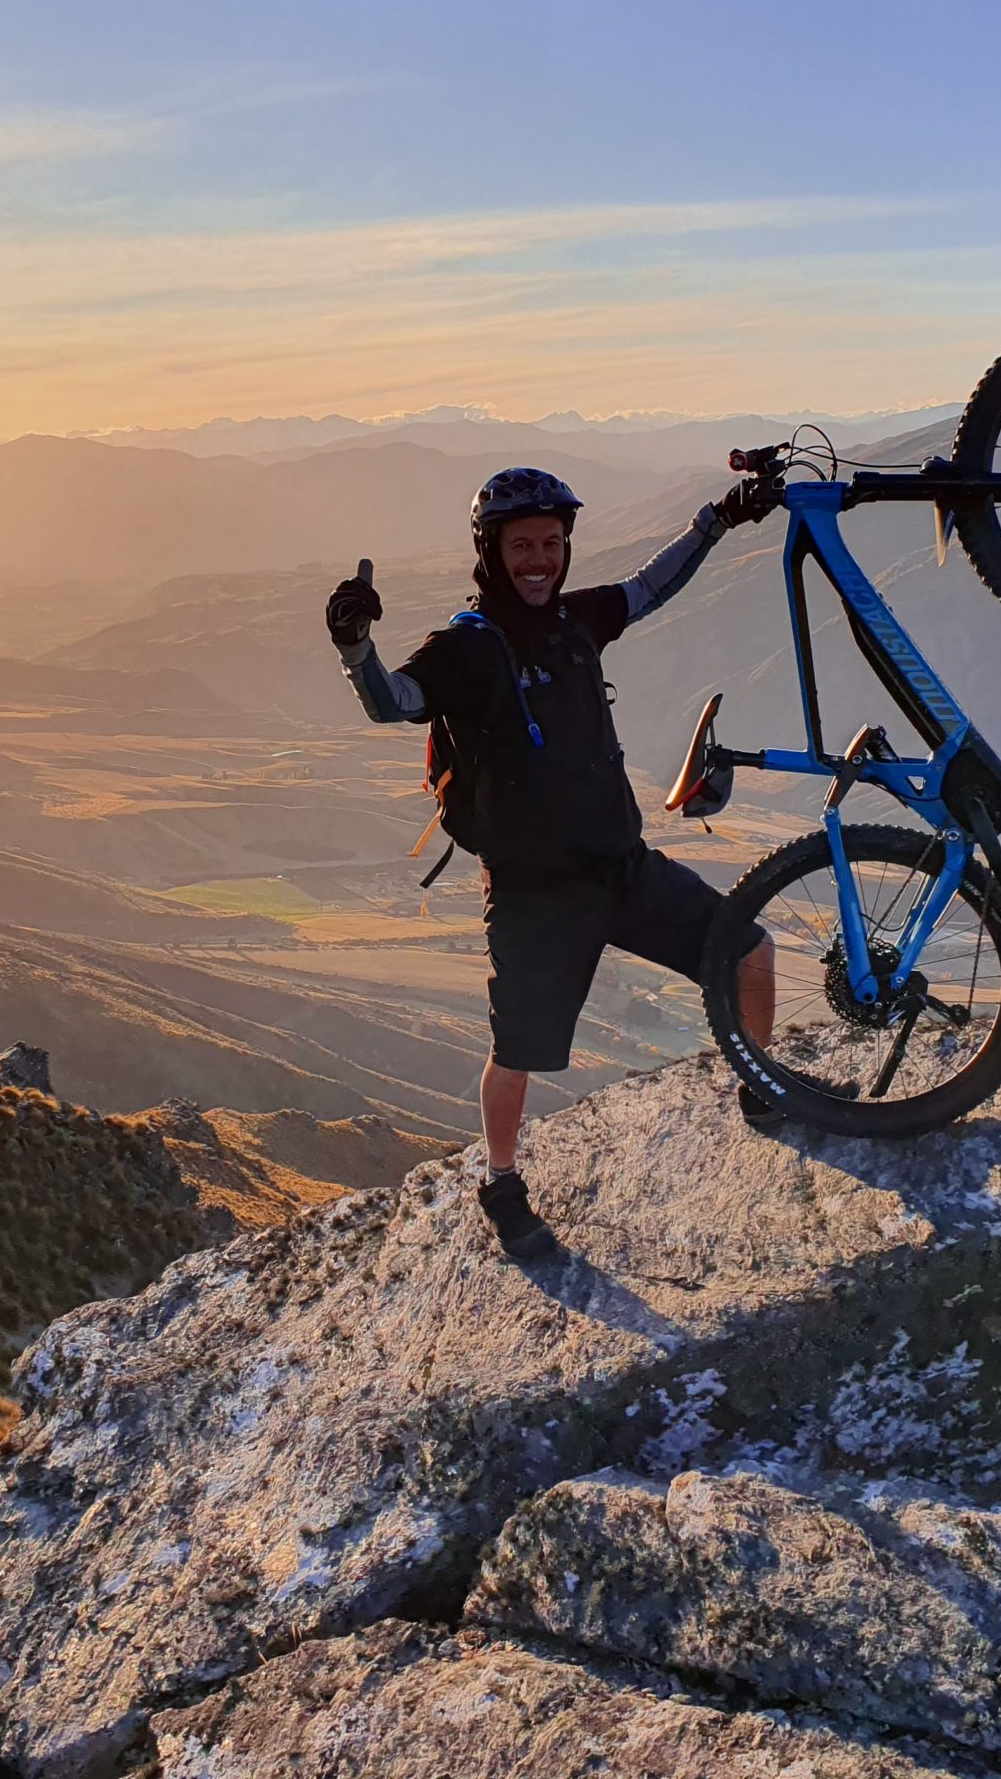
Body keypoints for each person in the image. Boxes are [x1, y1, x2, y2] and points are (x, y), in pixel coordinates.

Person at [325, 467, 780, 1259]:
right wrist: (354, 647)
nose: (539, 559)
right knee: (518, 1056)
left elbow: (648, 588)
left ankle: (765, 1090)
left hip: (622, 870)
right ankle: (501, 1182)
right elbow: (392, 701)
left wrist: (717, 518)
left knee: (751, 951)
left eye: (552, 544)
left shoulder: (576, 620)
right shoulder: (467, 646)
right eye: (522, 546)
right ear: (491, 552)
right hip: (535, 898)